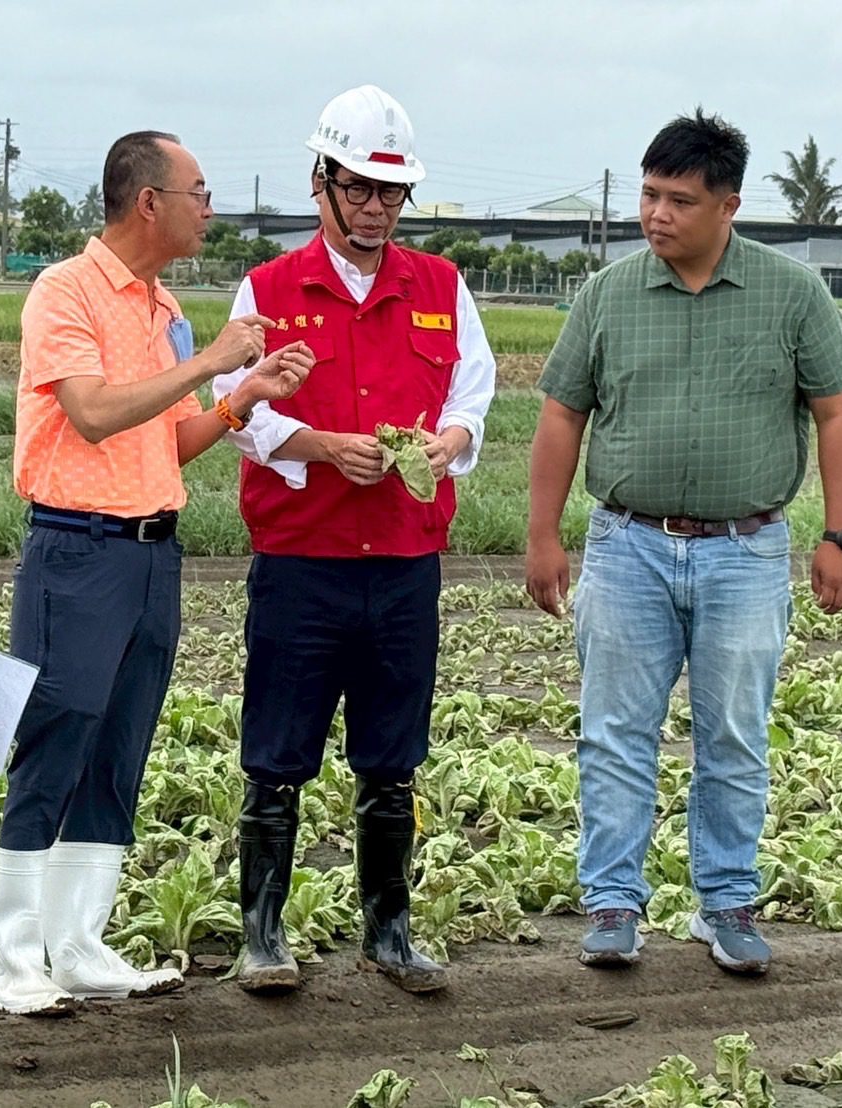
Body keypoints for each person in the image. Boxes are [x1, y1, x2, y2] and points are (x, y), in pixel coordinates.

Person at [526, 109, 842, 977]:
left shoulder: (794, 296)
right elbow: (563, 412)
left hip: (745, 552)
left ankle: (727, 901)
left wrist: (840, 535)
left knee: (735, 737)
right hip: (627, 544)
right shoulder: (606, 296)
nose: (655, 214)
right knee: (614, 733)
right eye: (647, 194)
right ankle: (611, 903)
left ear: (728, 206)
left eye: (678, 199)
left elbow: (836, 414)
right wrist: (543, 534)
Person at [0, 130, 313, 1016]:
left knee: (121, 744)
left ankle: (79, 943)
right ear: (148, 202)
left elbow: (170, 439)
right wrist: (212, 362)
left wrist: (245, 397)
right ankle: (15, 956)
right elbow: (90, 415)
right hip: (76, 549)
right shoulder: (66, 291)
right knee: (56, 737)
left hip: (150, 551)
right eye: (199, 192)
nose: (211, 209)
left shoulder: (164, 307)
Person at [213, 85, 496, 996]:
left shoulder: (441, 287)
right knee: (279, 748)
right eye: (360, 189)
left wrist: (449, 443)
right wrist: (318, 445)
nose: (377, 208)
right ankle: (262, 933)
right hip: (303, 560)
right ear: (321, 184)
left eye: (391, 193)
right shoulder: (266, 289)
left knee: (392, 750)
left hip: (406, 563)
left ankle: (391, 928)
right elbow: (243, 413)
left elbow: (472, 397)